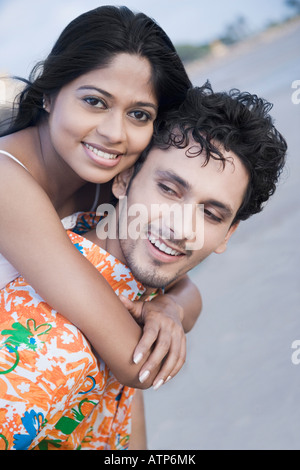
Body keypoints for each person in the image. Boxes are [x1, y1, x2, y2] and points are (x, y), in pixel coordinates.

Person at [0, 83, 287, 450]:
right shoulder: (53, 349)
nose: (181, 228)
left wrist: (172, 306)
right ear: (123, 178)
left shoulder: (97, 245)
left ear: (228, 234)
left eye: (210, 214)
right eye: (168, 189)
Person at [0, 5, 201, 391]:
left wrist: (168, 309)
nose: (114, 133)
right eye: (94, 101)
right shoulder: (6, 180)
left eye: (139, 114)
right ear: (49, 95)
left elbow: (184, 287)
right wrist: (155, 320)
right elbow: (134, 363)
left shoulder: (114, 182)